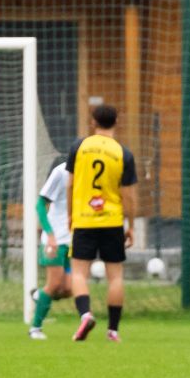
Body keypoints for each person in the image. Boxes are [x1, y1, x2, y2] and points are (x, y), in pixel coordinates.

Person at [67, 104, 137, 343]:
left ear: (93, 121)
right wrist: (131, 225)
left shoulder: (79, 147)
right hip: (112, 220)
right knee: (115, 276)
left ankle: (85, 314)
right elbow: (128, 195)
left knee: (78, 273)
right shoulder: (123, 154)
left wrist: (70, 215)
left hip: (84, 219)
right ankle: (113, 330)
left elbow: (70, 185)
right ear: (117, 121)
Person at [28, 158, 72, 340]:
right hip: (54, 240)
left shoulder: (88, 173)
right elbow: (39, 205)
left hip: (73, 240)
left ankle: (40, 295)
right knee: (54, 284)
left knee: (69, 289)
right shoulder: (60, 172)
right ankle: (35, 329)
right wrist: (50, 235)